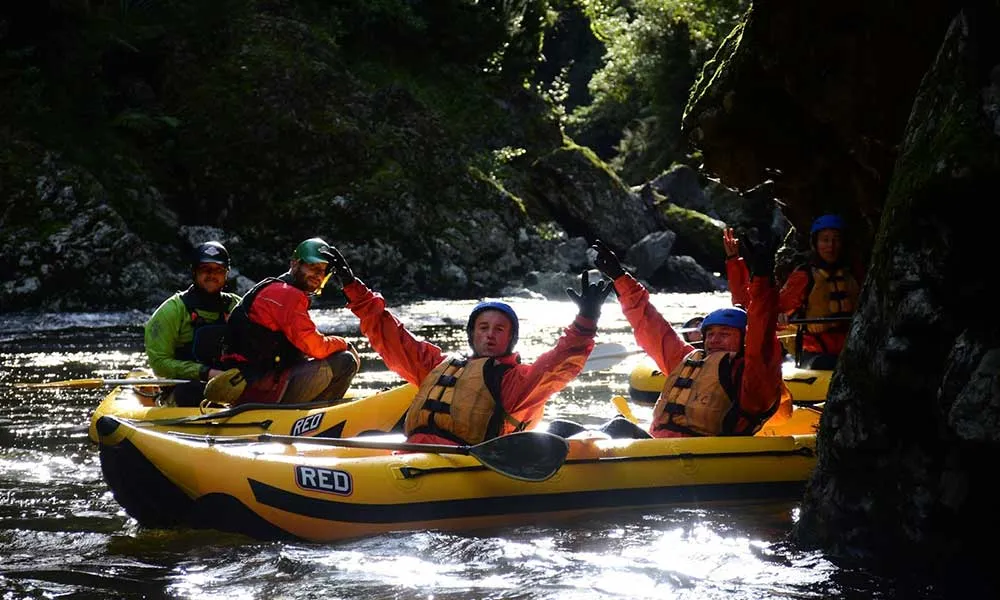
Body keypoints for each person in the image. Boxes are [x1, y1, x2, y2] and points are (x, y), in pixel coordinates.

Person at [322, 246, 612, 446]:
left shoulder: (513, 381)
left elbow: (558, 365)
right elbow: (392, 336)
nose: (489, 335)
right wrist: (353, 288)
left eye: (499, 330)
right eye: (483, 328)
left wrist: (586, 319)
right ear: (472, 334)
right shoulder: (438, 366)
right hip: (414, 454)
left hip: (462, 462)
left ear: (510, 339)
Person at [592, 236, 792, 438]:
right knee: (597, 427)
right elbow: (651, 326)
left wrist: (762, 279)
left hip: (700, 455)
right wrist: (620, 278)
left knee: (619, 428)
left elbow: (762, 329)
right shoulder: (689, 360)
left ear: (745, 340)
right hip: (662, 448)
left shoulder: (753, 375)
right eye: (710, 334)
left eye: (724, 334)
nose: (714, 340)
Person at [208, 237, 360, 405]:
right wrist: (345, 344)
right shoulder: (287, 294)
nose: (318, 274)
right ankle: (320, 415)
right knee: (345, 361)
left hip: (254, 381)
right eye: (312, 266)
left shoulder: (276, 288)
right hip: (260, 389)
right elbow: (316, 347)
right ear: (295, 264)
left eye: (322, 270)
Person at [724, 215, 862, 369]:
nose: (831, 246)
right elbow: (762, 311)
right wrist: (781, 321)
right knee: (831, 364)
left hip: (852, 349)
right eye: (825, 240)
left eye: (836, 240)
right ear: (815, 243)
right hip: (814, 353)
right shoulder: (805, 276)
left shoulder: (854, 274)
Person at [144, 241, 242, 406]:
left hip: (229, 385)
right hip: (186, 387)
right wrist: (205, 372)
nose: (212, 275)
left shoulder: (236, 307)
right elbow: (159, 363)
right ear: (194, 271)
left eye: (218, 270)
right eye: (205, 269)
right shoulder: (173, 310)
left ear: (226, 274)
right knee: (191, 391)